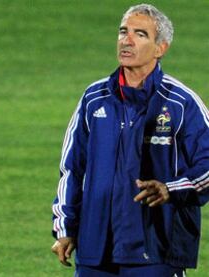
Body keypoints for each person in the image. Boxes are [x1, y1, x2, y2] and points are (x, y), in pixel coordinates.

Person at [51, 4, 209, 277]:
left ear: (161, 48)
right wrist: (66, 229)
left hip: (156, 250)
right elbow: (72, 169)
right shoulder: (94, 98)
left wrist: (171, 189)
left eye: (140, 34)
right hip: (95, 249)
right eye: (123, 32)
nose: (127, 40)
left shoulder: (182, 103)